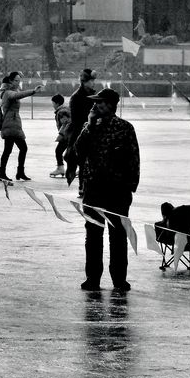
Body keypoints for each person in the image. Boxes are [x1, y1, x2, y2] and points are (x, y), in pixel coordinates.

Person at [73, 88, 140, 292]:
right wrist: (90, 125)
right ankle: (92, 278)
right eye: (95, 102)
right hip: (93, 188)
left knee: (118, 236)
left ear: (110, 105)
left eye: (99, 102)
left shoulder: (124, 128)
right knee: (93, 235)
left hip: (117, 190)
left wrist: (130, 187)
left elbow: (134, 159)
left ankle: (119, 279)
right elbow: (78, 151)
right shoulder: (90, 126)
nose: (95, 105)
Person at [0, 71, 42, 182]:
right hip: (9, 124)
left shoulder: (13, 91)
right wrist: (33, 91)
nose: (18, 83)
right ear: (10, 81)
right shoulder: (7, 93)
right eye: (16, 80)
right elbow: (17, 95)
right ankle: (3, 173)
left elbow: (18, 94)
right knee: (10, 149)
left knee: (19, 148)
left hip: (14, 123)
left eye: (19, 81)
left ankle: (18, 172)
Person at [65, 68, 98, 188]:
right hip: (81, 132)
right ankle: (82, 187)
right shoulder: (77, 96)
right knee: (83, 161)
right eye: (91, 80)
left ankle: (87, 186)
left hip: (93, 131)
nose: (93, 83)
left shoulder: (93, 94)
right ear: (84, 81)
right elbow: (76, 120)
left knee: (90, 161)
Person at [49, 94, 72, 178]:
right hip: (69, 135)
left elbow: (66, 124)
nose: (52, 105)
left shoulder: (61, 112)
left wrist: (61, 135)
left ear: (57, 103)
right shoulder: (65, 109)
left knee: (58, 151)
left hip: (67, 136)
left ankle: (60, 168)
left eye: (53, 103)